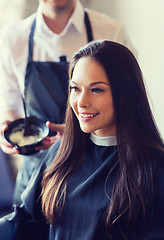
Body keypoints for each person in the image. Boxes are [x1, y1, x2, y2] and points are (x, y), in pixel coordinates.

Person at [0, 40, 164, 240]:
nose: (82, 102)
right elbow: (26, 221)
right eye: (75, 89)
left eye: (96, 90)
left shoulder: (154, 168)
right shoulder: (61, 151)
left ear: (125, 96)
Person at [0, 0, 135, 205]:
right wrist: (9, 134)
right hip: (35, 175)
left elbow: (129, 102)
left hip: (97, 175)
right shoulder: (13, 38)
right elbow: (10, 107)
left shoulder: (111, 31)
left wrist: (76, 131)